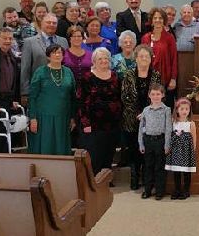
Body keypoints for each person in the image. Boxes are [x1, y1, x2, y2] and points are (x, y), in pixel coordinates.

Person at [76, 47, 122, 175]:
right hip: (93, 124)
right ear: (94, 61)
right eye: (100, 59)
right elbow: (81, 101)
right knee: (95, 153)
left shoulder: (115, 76)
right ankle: (94, 180)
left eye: (106, 58)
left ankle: (105, 178)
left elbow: (119, 98)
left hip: (112, 123)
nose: (103, 61)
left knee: (109, 151)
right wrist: (85, 123)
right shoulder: (87, 77)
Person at [121, 45, 161, 190]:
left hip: (151, 119)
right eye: (141, 56)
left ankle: (146, 178)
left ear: (151, 59)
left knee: (148, 149)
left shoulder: (156, 75)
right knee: (133, 149)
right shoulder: (128, 75)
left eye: (147, 56)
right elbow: (125, 97)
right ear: (136, 58)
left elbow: (158, 96)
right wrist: (138, 113)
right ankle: (134, 177)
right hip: (132, 118)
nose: (144, 59)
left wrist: (146, 113)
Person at [28, 44, 75, 155]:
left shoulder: (68, 72)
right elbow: (33, 96)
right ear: (48, 56)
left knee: (61, 148)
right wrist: (33, 118)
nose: (57, 55)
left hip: (63, 117)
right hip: (43, 118)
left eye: (60, 52)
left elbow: (73, 97)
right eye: (54, 52)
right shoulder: (40, 72)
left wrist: (72, 117)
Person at [21, 13, 69, 102]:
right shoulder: (30, 42)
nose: (51, 25)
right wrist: (24, 92)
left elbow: (65, 64)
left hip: (60, 89)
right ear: (41, 24)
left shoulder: (63, 41)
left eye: (54, 23)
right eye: (48, 22)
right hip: (38, 90)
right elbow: (25, 69)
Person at [138, 83, 172, 200]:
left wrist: (167, 144)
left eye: (158, 94)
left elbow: (168, 128)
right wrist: (141, 143)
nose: (156, 96)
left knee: (159, 167)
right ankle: (147, 190)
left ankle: (159, 191)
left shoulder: (167, 110)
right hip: (148, 141)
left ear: (162, 95)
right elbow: (141, 128)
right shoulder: (146, 110)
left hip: (160, 141)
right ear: (149, 95)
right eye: (153, 94)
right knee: (148, 166)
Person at [141, 7, 178, 105]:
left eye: (160, 18)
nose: (158, 20)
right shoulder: (145, 38)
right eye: (155, 18)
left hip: (165, 78)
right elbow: (141, 59)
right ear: (151, 21)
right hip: (149, 79)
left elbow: (174, 59)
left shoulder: (169, 38)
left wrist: (173, 79)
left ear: (164, 20)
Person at [165, 98, 197, 200]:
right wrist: (168, 147)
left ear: (189, 110)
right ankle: (177, 190)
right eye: (182, 109)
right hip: (175, 151)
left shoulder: (191, 123)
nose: (184, 111)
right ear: (177, 110)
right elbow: (169, 135)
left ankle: (186, 190)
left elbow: (194, 138)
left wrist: (193, 150)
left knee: (186, 172)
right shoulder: (173, 121)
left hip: (187, 151)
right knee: (176, 171)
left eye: (186, 109)